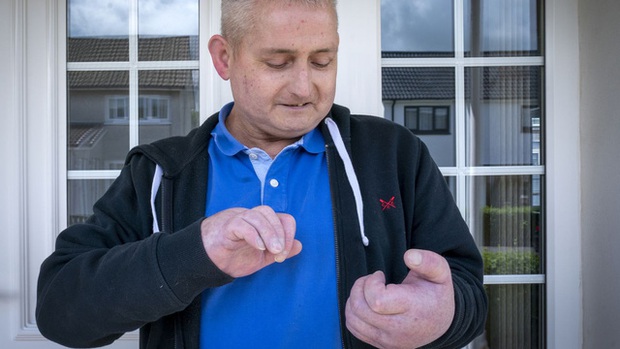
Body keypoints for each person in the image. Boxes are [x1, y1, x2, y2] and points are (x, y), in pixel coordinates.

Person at [36, 0, 487, 348]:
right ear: (224, 58)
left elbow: (466, 293)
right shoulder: (160, 171)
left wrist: (442, 316)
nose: (304, 86)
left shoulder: (393, 154)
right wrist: (194, 253)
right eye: (278, 62)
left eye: (322, 60)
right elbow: (60, 310)